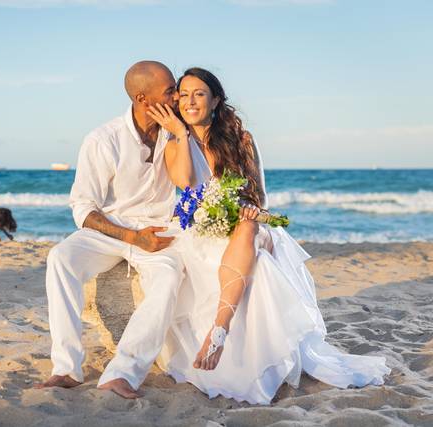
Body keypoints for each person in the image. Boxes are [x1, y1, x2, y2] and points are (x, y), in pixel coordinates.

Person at [147, 67, 390, 404]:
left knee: (247, 229)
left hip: (250, 224)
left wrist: (246, 211)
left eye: (199, 94)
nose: (190, 102)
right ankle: (222, 334)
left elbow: (259, 196)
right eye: (183, 95)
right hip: (202, 228)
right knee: (238, 247)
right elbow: (187, 184)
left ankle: (219, 330)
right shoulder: (174, 144)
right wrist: (180, 135)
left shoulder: (241, 139)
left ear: (215, 100)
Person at [36, 60, 184, 399]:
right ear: (143, 99)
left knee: (169, 277)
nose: (177, 97)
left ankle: (122, 373)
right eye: (170, 91)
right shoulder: (104, 139)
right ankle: (66, 368)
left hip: (161, 230)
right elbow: (83, 207)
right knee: (60, 259)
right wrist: (131, 237)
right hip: (112, 230)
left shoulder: (177, 131)